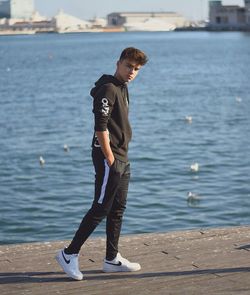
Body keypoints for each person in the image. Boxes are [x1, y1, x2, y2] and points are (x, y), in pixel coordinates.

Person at [56, 47, 148, 281]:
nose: (131, 72)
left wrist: (118, 156)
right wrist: (109, 157)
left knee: (118, 208)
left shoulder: (122, 88)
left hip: (121, 156)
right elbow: (101, 125)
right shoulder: (108, 89)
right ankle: (69, 254)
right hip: (110, 157)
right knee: (101, 207)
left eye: (136, 69)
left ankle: (112, 258)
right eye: (128, 66)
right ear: (118, 63)